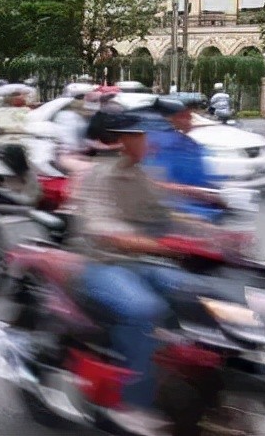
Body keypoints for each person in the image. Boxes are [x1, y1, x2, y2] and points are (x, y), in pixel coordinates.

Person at [66, 110, 187, 434]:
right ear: (123, 141)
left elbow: (165, 213)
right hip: (101, 264)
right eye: (142, 136)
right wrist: (156, 244)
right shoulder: (96, 174)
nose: (149, 142)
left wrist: (210, 233)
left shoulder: (138, 174)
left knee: (191, 292)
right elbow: (100, 229)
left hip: (141, 261)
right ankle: (132, 403)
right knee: (143, 309)